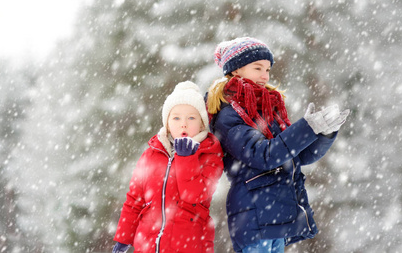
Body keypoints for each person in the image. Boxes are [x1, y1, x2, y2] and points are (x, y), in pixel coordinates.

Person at [206, 37, 349, 253]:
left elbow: (297, 156)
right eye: (258, 68)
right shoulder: (229, 115)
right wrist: (305, 128)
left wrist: (323, 133)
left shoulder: (268, 109)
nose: (265, 75)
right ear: (236, 70)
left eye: (268, 69)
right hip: (254, 214)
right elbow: (264, 155)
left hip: (275, 213)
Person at [112, 81, 224, 253]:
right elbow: (134, 200)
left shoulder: (209, 154)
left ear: (202, 124)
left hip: (190, 245)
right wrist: (124, 238)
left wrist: (186, 158)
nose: (183, 124)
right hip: (148, 246)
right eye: (176, 117)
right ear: (167, 122)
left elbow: (195, 195)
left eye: (191, 118)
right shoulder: (151, 154)